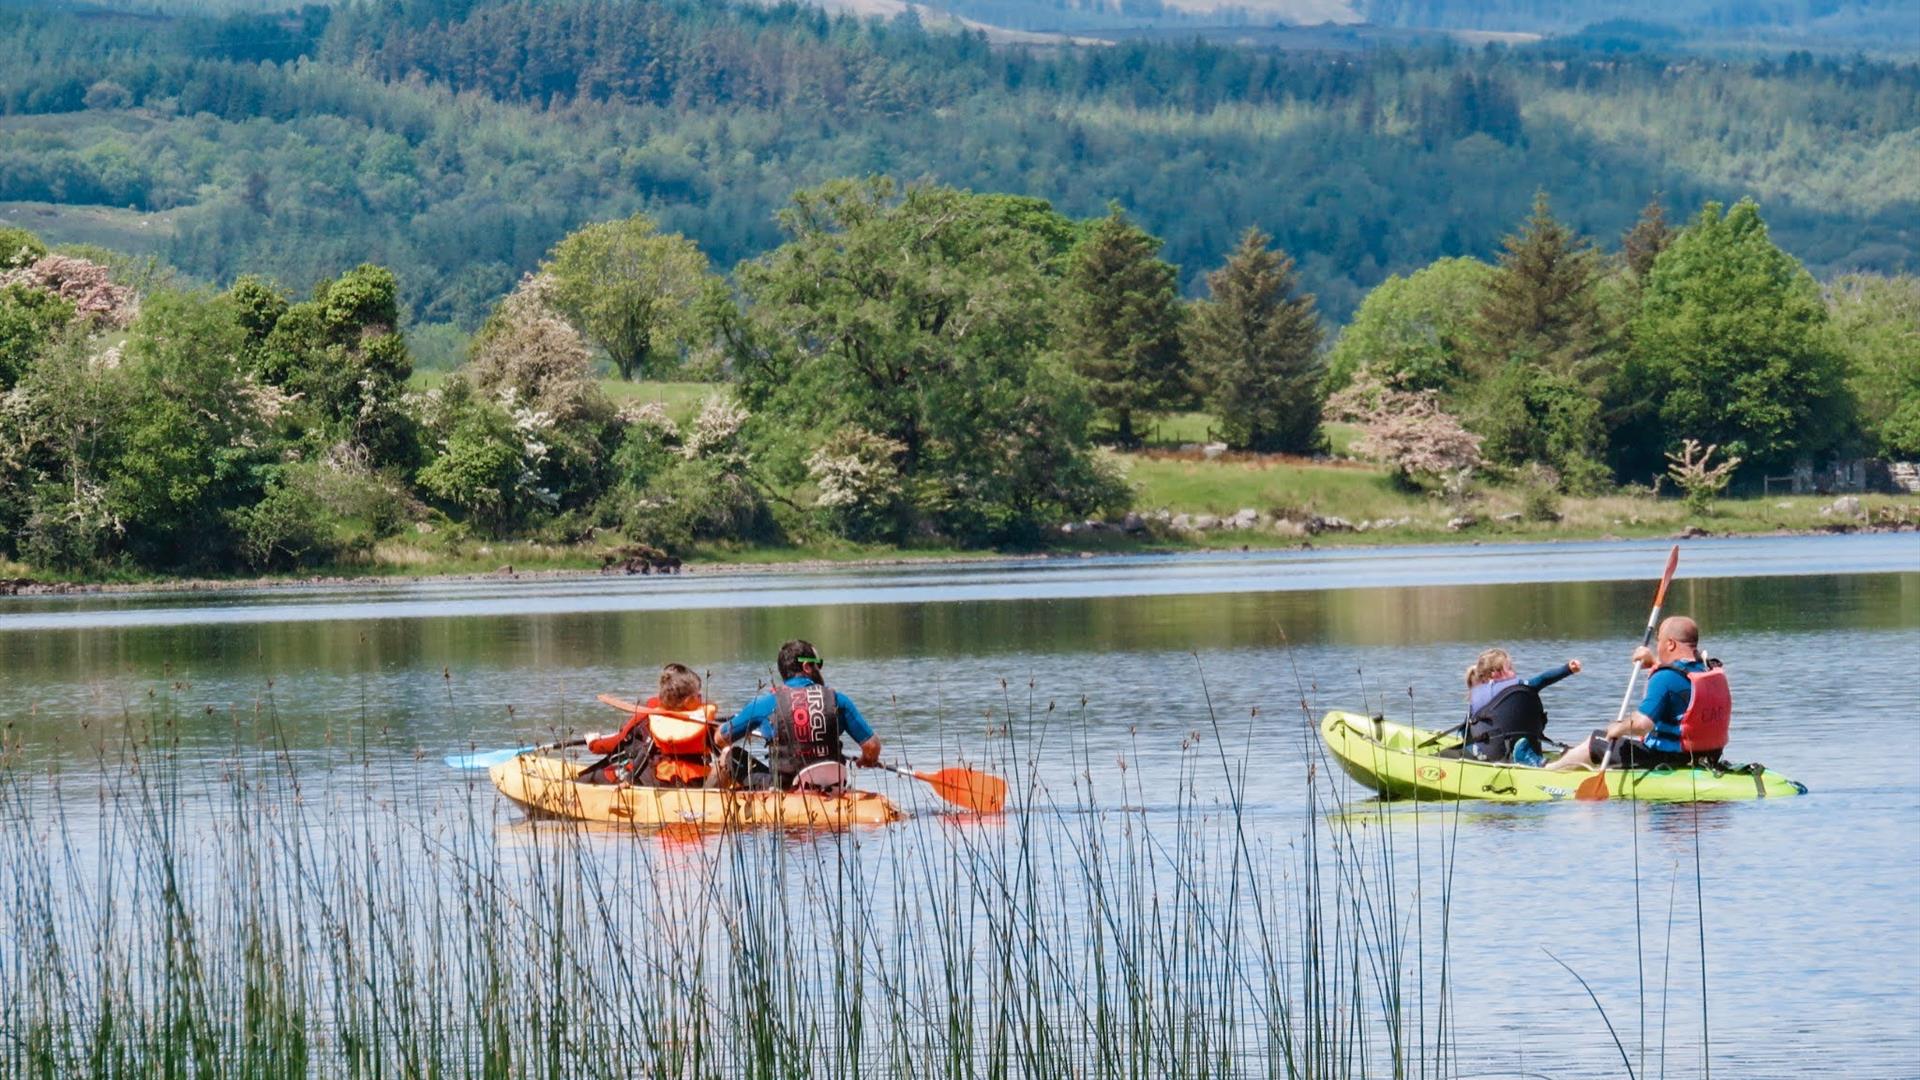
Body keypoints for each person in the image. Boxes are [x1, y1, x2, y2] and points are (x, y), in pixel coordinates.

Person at [1546, 615, 1729, 772]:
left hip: (1667, 758)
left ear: (1671, 644)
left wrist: (1618, 727)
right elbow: (1680, 678)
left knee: (1596, 740)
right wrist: (1655, 662)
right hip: (1706, 755)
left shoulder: (1664, 677)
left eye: (1659, 641)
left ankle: (1548, 772)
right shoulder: (1706, 669)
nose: (1658, 646)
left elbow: (1642, 724)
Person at [711, 640, 882, 790]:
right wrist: (866, 760)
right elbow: (872, 747)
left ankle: (705, 800)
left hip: (784, 788)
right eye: (818, 664)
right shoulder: (837, 700)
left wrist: (747, 729)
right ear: (807, 666)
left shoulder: (766, 704)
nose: (820, 670)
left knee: (730, 756)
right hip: (834, 785)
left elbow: (720, 739)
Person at [580, 663, 718, 786]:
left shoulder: (651, 716)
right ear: (687, 701)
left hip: (664, 779)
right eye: (698, 695)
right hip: (698, 779)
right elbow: (719, 747)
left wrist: (594, 744)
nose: (702, 699)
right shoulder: (703, 720)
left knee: (592, 777)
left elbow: (624, 744)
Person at [1450, 648, 1582, 765]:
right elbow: (1543, 679)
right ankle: (1528, 759)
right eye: (1510, 668)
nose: (1514, 672)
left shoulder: (1476, 693)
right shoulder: (1515, 685)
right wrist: (1567, 669)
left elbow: (1467, 731)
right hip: (1513, 751)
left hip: (1487, 754)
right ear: (1494, 673)